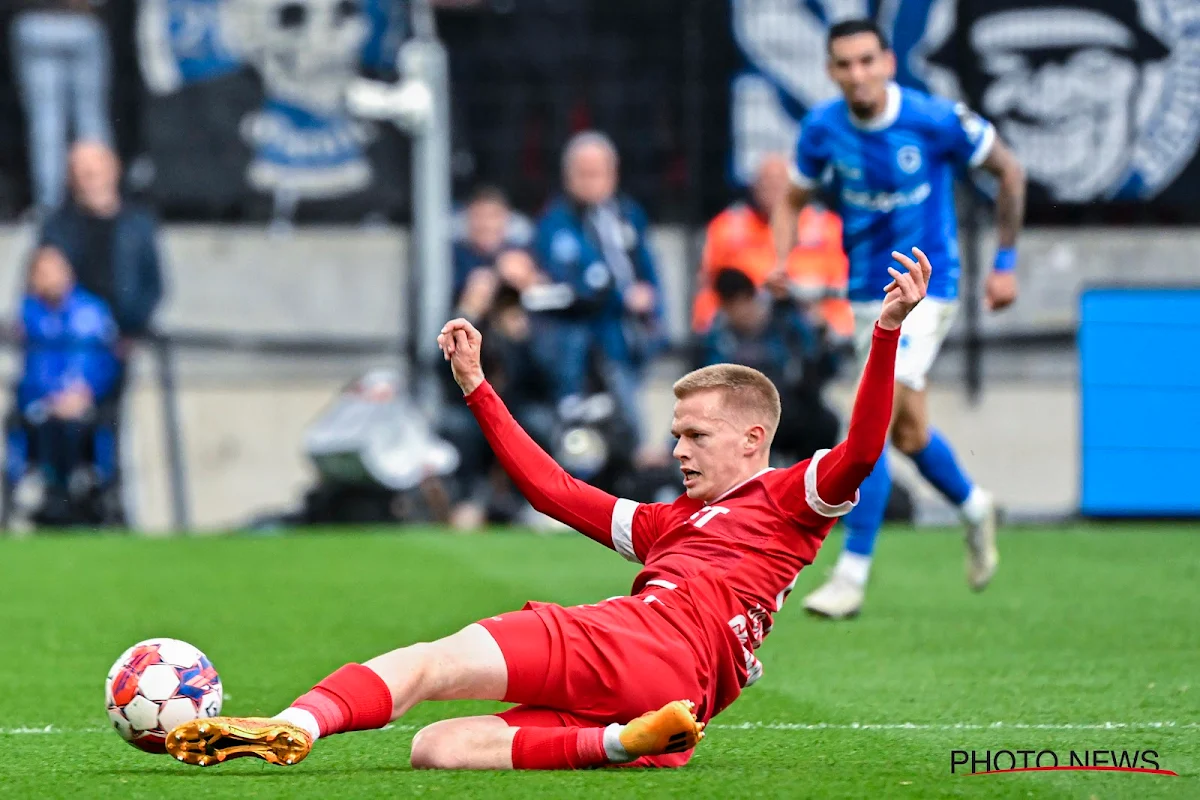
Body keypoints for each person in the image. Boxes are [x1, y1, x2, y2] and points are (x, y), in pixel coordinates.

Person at [163, 248, 933, 772]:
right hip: (677, 691)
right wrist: (476, 386)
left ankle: (295, 725)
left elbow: (864, 447)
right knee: (436, 747)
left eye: (696, 435)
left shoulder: (791, 497)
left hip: (637, 637)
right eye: (675, 435)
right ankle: (621, 743)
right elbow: (556, 493)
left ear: (753, 438)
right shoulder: (675, 524)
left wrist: (886, 331)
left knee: (432, 661)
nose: (678, 450)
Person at [773, 19, 1027, 619]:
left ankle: (851, 577)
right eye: (844, 64)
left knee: (875, 419)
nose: (857, 74)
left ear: (888, 61)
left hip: (926, 286)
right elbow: (790, 198)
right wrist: (781, 259)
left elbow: (1009, 172)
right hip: (866, 294)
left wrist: (1006, 264)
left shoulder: (936, 119)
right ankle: (973, 506)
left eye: (867, 60)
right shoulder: (822, 129)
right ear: (831, 71)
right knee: (908, 431)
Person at [532, 131, 664, 453]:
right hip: (580, 348)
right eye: (584, 173)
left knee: (631, 431)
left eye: (599, 173)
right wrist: (621, 295)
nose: (592, 181)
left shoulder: (627, 214)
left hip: (627, 341)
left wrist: (654, 313)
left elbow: (648, 272)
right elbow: (577, 281)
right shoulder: (555, 221)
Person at [693, 154, 852, 341]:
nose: (773, 189)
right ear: (754, 187)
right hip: (744, 328)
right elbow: (708, 289)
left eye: (780, 182)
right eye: (766, 182)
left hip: (814, 322)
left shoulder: (827, 226)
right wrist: (708, 325)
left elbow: (843, 286)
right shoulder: (726, 227)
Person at [15, 245, 119, 522]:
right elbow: (33, 371)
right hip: (44, 405)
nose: (49, 278)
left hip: (84, 403)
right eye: (41, 272)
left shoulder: (91, 312)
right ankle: (45, 490)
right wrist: (51, 399)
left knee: (83, 427)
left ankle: (85, 490)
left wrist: (84, 392)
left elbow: (103, 364)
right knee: (37, 425)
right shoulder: (30, 315)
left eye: (53, 271)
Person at [698, 267, 840, 465]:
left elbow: (824, 365)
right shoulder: (720, 336)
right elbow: (704, 386)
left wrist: (821, 332)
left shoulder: (786, 321)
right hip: (741, 415)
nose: (730, 314)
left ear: (747, 299)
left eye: (733, 306)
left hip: (789, 408)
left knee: (825, 423)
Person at [10, 0, 114, 215]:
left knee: (46, 124)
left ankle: (50, 208)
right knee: (90, 120)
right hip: (81, 20)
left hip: (36, 21)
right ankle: (101, 202)